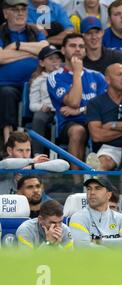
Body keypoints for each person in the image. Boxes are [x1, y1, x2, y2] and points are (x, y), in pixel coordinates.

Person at [47, 33, 107, 173]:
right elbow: (73, 101)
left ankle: (101, 178)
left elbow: (103, 105)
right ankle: (76, 182)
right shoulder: (56, 76)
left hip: (95, 121)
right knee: (77, 131)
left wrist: (79, 110)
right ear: (63, 50)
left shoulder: (97, 76)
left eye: (81, 46)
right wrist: (77, 73)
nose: (78, 49)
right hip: (68, 124)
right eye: (73, 46)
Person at [0, 0, 48, 146]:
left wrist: (16, 46)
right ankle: (9, 143)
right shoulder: (1, 32)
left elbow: (44, 49)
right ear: (5, 13)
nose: (21, 13)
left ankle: (34, 148)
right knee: (6, 93)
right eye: (15, 10)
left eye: (23, 9)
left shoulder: (35, 30)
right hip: (8, 85)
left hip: (35, 83)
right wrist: (30, 53)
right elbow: (1, 58)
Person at [86, 63, 122, 170]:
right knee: (102, 164)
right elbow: (97, 136)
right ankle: (92, 183)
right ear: (107, 80)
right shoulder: (95, 103)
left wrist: (112, 125)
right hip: (109, 148)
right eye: (120, 74)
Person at [69, 176, 122, 248]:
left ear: (109, 195)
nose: (92, 192)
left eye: (97, 188)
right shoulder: (78, 218)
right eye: (89, 189)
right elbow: (82, 246)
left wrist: (99, 241)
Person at [0, 132, 69, 194]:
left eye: (28, 150)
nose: (25, 155)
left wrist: (33, 167)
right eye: (20, 150)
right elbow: (6, 163)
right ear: (9, 151)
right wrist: (32, 161)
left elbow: (65, 165)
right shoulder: (4, 165)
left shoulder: (35, 164)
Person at [29, 45, 62, 156]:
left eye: (57, 58)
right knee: (38, 117)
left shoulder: (67, 76)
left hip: (65, 110)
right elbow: (32, 104)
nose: (55, 61)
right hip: (48, 111)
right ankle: (37, 154)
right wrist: (41, 107)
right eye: (50, 59)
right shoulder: (38, 80)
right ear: (42, 63)